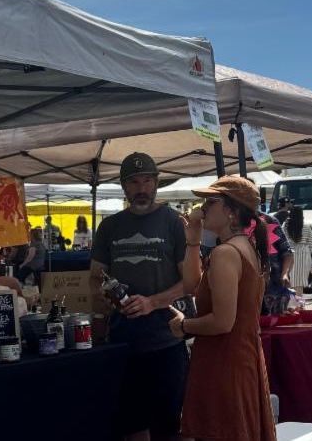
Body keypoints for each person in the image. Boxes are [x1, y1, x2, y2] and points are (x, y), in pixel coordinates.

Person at [89, 152, 191, 441]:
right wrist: (104, 299)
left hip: (166, 339)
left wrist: (152, 302)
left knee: (168, 425)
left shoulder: (174, 222)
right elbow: (95, 278)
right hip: (123, 340)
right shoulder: (109, 226)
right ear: (124, 186)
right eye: (134, 182)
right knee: (130, 425)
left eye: (147, 180)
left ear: (157, 183)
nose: (141, 188)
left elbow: (191, 282)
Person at [168, 175, 276, 441]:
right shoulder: (241, 248)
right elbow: (193, 284)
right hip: (237, 359)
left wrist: (184, 326)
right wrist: (192, 240)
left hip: (226, 363)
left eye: (210, 202)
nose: (202, 208)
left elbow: (222, 322)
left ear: (230, 211)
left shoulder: (227, 253)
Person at [259, 210, 295, 315]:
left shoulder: (270, 221)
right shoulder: (233, 222)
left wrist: (285, 273)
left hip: (275, 288)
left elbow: (287, 252)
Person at [286, 206, 312, 292]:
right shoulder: (306, 226)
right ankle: (300, 302)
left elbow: (284, 241)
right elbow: (311, 244)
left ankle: (293, 302)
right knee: (300, 283)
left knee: (291, 280)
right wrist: (307, 251)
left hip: (291, 253)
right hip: (304, 253)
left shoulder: (285, 226)